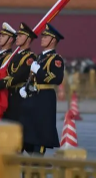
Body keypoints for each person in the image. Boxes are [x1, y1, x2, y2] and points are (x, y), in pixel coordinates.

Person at [19, 23, 65, 155]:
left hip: (45, 98)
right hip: (33, 97)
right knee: (28, 133)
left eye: (46, 37)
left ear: (53, 40)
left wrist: (38, 70)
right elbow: (32, 77)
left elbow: (56, 78)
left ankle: (37, 163)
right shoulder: (40, 57)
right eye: (43, 36)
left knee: (40, 134)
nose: (42, 39)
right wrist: (26, 87)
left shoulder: (56, 59)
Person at [0, 22, 37, 126]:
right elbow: (5, 72)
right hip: (9, 95)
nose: (17, 38)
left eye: (20, 36)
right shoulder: (14, 56)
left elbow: (18, 76)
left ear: (28, 39)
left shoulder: (30, 57)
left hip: (20, 97)